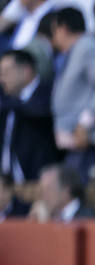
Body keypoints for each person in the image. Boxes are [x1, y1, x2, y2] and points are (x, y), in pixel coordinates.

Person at [41, 5, 95, 175]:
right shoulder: (74, 52)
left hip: (92, 147)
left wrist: (85, 123)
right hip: (78, 148)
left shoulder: (88, 47)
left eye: (54, 30)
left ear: (62, 28)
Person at [1, 46, 59, 182]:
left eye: (6, 72)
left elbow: (40, 113)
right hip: (8, 182)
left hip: (40, 179)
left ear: (26, 71)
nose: (1, 79)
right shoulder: (7, 102)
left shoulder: (49, 93)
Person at [31, 161, 95, 220]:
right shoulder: (51, 216)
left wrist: (47, 223)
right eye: (43, 190)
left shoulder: (89, 217)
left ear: (66, 191)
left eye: (49, 189)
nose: (43, 195)